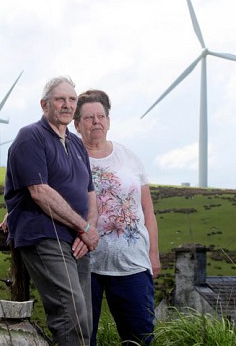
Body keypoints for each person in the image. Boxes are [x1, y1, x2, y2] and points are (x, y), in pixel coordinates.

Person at [3, 75, 100, 345]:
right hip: (45, 235)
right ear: (44, 104)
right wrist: (83, 227)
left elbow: (90, 193)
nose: (68, 105)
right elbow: (39, 191)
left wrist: (87, 230)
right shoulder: (31, 137)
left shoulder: (77, 143)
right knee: (71, 314)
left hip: (78, 240)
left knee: (85, 320)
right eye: (60, 99)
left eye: (72, 99)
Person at [73, 89, 161, 346]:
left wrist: (153, 253)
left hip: (132, 263)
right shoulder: (69, 158)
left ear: (109, 121)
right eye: (89, 118)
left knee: (139, 338)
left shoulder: (129, 157)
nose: (96, 121)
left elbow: (148, 211)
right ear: (77, 125)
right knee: (82, 338)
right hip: (86, 265)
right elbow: (45, 192)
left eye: (101, 116)